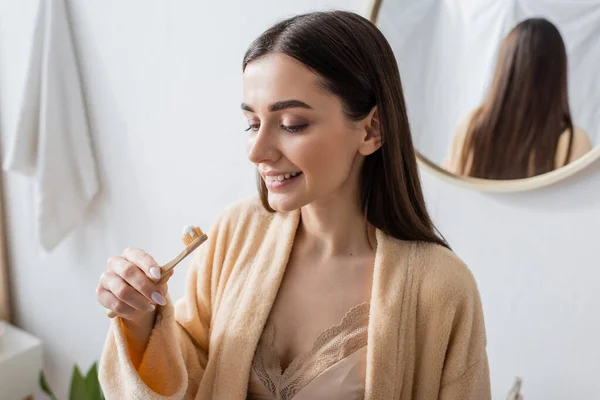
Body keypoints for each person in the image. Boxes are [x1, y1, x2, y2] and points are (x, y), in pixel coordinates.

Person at [97, 10, 490, 400]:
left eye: (291, 124)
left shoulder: (442, 289)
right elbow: (194, 369)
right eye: (252, 123)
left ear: (371, 130)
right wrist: (141, 320)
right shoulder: (236, 233)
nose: (257, 151)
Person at [444, 18, 592, 180]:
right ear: (558, 74)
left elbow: (449, 194)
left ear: (505, 67)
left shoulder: (471, 126)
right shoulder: (573, 141)